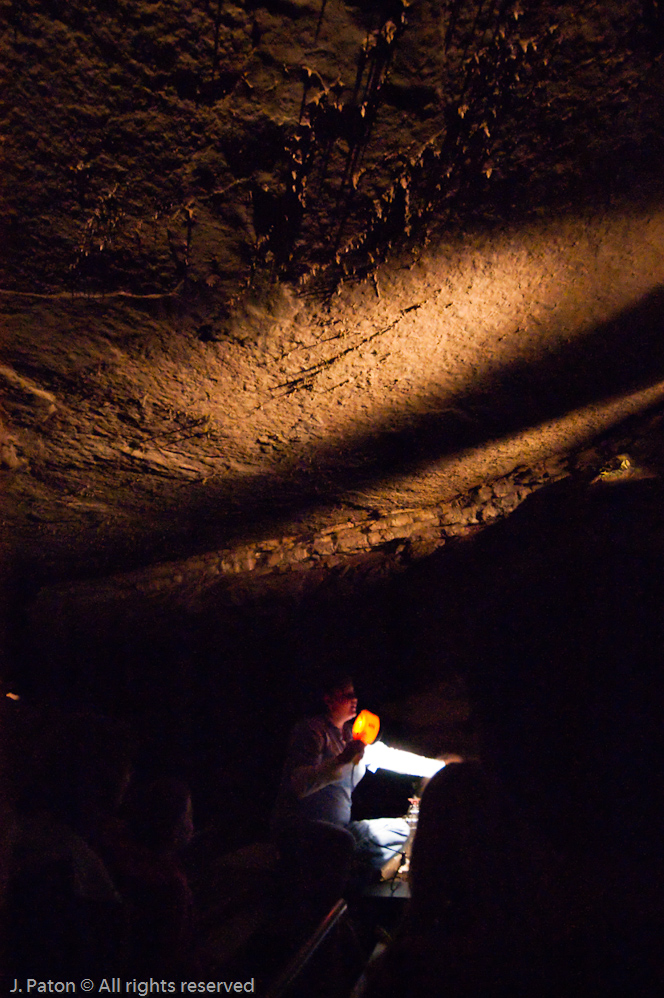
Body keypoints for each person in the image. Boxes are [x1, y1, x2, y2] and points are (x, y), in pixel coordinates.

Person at [271, 676, 409, 926]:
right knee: (343, 842)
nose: (354, 700)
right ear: (328, 698)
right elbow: (300, 785)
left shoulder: (352, 736)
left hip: (339, 831)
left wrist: (441, 768)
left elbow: (393, 759)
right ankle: (333, 904)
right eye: (346, 695)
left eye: (354, 694)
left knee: (399, 829)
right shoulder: (312, 730)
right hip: (302, 830)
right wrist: (342, 759)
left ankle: (345, 875)